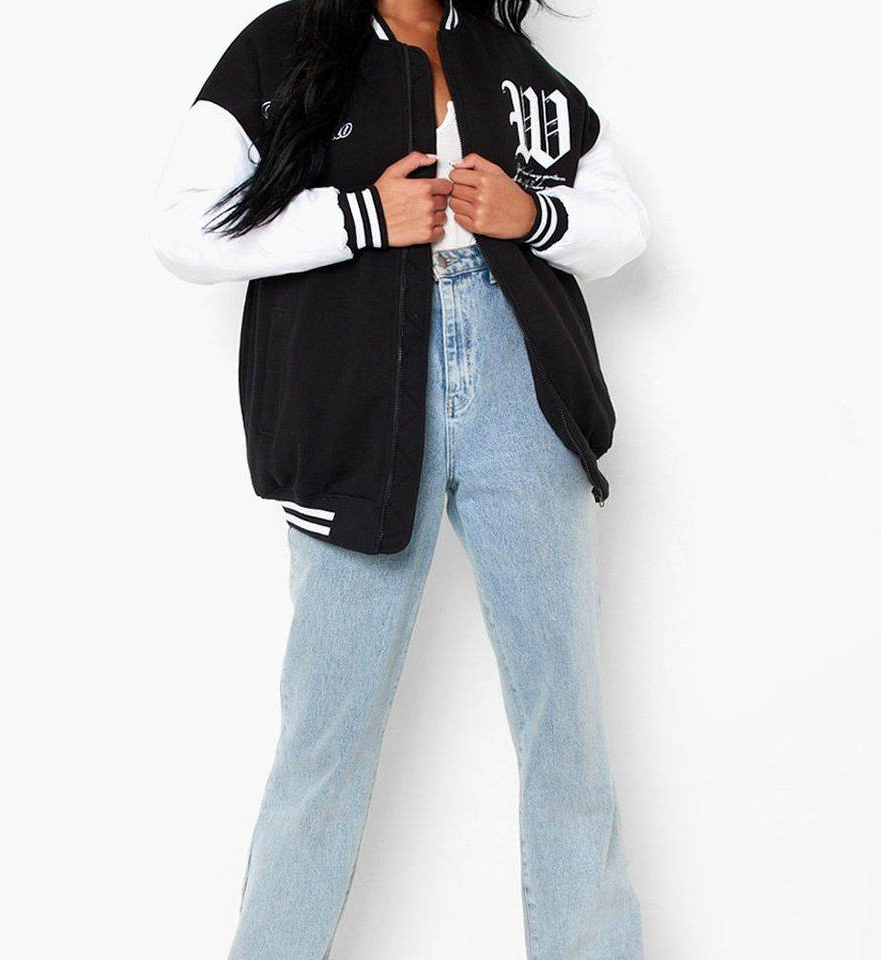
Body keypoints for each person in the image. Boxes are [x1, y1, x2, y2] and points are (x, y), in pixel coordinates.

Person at [152, 1, 649, 957]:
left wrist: (532, 215)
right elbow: (180, 229)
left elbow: (623, 222)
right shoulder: (283, 46)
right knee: (325, 738)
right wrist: (361, 217)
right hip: (356, 397)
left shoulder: (511, 62)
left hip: (520, 382)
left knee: (567, 725)